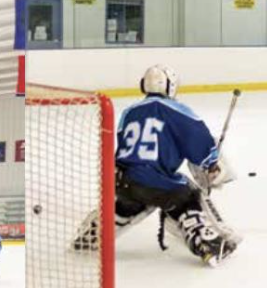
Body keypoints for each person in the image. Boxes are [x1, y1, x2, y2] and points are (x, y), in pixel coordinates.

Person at [80, 64, 238, 266]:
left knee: (133, 201)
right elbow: (198, 140)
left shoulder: (129, 112)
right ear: (170, 86)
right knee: (185, 194)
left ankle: (93, 232)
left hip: (122, 179)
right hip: (154, 180)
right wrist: (211, 163)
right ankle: (206, 241)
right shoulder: (177, 110)